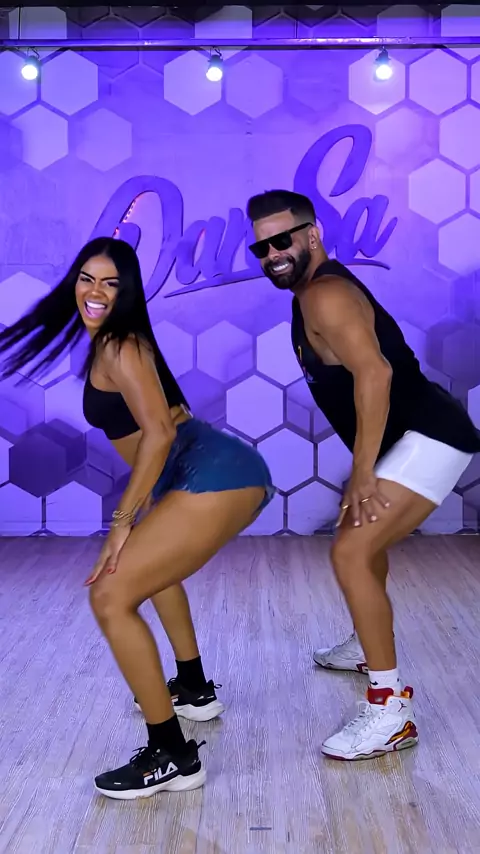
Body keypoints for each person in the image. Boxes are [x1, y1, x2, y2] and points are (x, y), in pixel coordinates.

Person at [0, 237, 274, 797]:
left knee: (109, 595)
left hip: (211, 471)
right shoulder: (116, 341)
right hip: (199, 470)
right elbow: (167, 424)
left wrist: (121, 521)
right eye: (87, 279)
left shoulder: (119, 343)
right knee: (152, 575)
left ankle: (171, 755)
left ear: (126, 292)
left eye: (110, 283)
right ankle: (193, 687)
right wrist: (143, 508)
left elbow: (162, 431)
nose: (95, 292)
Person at [246, 189, 480, 761]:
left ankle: (390, 710)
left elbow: (374, 374)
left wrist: (364, 472)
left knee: (350, 550)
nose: (273, 254)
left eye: (283, 240)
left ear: (312, 234)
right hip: (411, 438)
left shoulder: (324, 294)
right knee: (360, 543)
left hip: (430, 436)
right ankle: (366, 645)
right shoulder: (309, 295)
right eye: (262, 247)